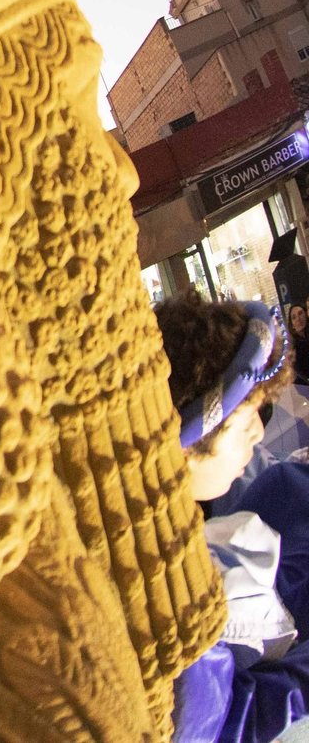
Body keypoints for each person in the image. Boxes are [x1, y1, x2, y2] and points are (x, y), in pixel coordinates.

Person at [156, 292, 309, 743]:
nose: (260, 433)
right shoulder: (166, 587)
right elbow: (228, 722)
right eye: (245, 424)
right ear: (190, 444)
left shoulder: (178, 536)